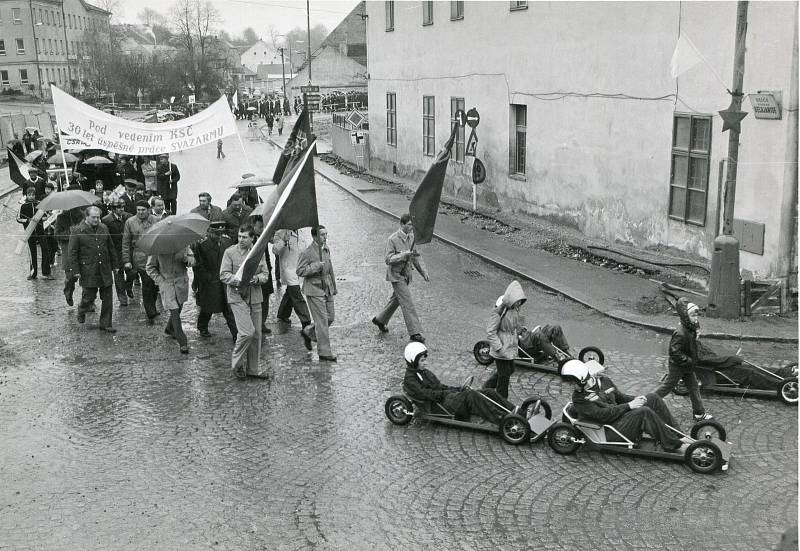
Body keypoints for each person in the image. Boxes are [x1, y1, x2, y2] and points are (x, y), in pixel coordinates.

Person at [562, 359, 689, 453]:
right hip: (610, 431)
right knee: (643, 412)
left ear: (582, 380)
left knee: (653, 398)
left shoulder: (604, 381)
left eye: (573, 383)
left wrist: (638, 399)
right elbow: (603, 416)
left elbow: (621, 398)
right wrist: (629, 406)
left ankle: (680, 436)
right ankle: (676, 445)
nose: (572, 387)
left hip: (621, 420)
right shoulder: (579, 398)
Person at [654, 298, 735, 421]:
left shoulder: (689, 327)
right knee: (666, 388)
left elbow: (693, 337)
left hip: (687, 366)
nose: (696, 318)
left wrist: (696, 330)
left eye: (697, 316)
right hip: (679, 366)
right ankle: (645, 403)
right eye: (693, 316)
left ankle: (699, 413)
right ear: (686, 317)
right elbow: (674, 352)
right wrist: (689, 361)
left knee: (694, 388)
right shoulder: (680, 333)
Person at [402, 342, 517, 424]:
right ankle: (503, 418)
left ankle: (515, 410)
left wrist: (457, 389)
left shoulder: (424, 372)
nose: (425, 363)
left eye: (425, 360)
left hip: (446, 399)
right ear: (413, 361)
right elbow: (426, 394)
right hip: (439, 406)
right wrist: (446, 393)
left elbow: (440, 386)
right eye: (422, 360)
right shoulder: (410, 379)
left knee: (488, 391)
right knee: (472, 395)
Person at [219, 223, 271, 379]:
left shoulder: (258, 252)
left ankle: (253, 369)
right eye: (239, 236)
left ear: (252, 238)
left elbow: (266, 275)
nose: (241, 240)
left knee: (257, 335)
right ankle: (237, 364)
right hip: (236, 296)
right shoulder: (230, 252)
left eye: (245, 237)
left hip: (255, 296)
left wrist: (256, 279)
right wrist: (238, 280)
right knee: (247, 333)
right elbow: (223, 275)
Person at [372, 214, 430, 343]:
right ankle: (415, 333)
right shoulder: (392, 239)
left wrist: (424, 272)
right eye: (409, 225)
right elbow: (388, 259)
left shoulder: (412, 237)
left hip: (407, 275)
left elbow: (416, 257)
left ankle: (380, 320)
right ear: (401, 224)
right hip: (396, 276)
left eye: (412, 225)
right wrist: (403, 255)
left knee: (397, 300)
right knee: (407, 302)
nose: (411, 227)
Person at [67, 205, 118, 333]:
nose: (96, 220)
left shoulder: (104, 228)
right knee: (88, 297)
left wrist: (115, 265)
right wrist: (76, 271)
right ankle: (82, 309)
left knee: (107, 297)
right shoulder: (78, 231)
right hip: (88, 269)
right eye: (94, 217)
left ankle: (105, 324)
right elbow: (72, 253)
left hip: (104, 268)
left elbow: (110, 247)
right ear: (87, 217)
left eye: (98, 217)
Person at [296, 225, 337, 361]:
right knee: (322, 321)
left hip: (327, 287)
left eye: (326, 234)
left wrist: (334, 287)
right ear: (314, 237)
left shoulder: (326, 249)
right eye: (322, 235)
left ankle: (308, 331)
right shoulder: (307, 252)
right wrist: (315, 267)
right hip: (314, 289)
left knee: (330, 317)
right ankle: (324, 352)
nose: (325, 237)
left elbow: (330, 269)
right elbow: (300, 271)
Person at [192, 221, 238, 340]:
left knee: (228, 309)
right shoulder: (202, 246)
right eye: (216, 234)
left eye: (221, 234)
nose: (219, 237)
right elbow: (198, 266)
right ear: (210, 232)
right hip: (209, 283)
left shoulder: (227, 242)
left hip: (224, 281)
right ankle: (202, 327)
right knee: (208, 308)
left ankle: (236, 335)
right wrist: (207, 278)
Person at [146, 246, 195, 354]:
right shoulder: (156, 248)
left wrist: (187, 260)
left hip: (181, 283)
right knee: (174, 311)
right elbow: (149, 267)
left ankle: (169, 329)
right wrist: (160, 280)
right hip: (166, 283)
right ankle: (183, 342)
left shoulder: (183, 244)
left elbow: (192, 260)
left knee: (179, 306)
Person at [483, 280, 527, 399]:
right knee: (504, 375)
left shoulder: (515, 310)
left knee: (510, 369)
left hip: (510, 346)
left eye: (520, 302)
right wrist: (499, 347)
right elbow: (490, 332)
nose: (519, 304)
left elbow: (515, 324)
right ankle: (501, 399)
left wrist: (521, 330)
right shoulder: (499, 312)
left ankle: (487, 387)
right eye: (517, 301)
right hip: (502, 348)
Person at [122, 201, 160, 324]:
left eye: (143, 210)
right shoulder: (130, 222)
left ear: (148, 210)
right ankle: (150, 312)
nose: (140, 212)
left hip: (155, 257)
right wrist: (127, 261)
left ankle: (152, 306)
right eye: (138, 210)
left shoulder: (156, 220)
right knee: (147, 284)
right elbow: (126, 243)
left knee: (155, 285)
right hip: (140, 258)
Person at [273, 228, 312, 332]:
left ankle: (282, 314)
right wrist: (284, 241)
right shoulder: (280, 233)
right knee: (297, 295)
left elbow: (305, 249)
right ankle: (306, 321)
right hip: (288, 269)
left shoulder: (301, 232)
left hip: (299, 268)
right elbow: (275, 250)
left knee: (290, 292)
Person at [16, 186, 53, 280]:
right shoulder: (23, 206)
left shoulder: (39, 204)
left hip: (40, 231)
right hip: (30, 232)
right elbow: (18, 218)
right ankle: (33, 273)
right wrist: (27, 220)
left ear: (35, 195)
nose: (31, 196)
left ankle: (46, 272)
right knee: (32, 252)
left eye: (33, 195)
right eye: (29, 195)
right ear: (26, 195)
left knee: (45, 250)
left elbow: (46, 216)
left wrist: (40, 219)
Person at [101, 199, 132, 307]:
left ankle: (128, 286)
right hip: (114, 251)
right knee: (118, 275)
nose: (121, 209)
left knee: (132, 272)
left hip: (127, 249)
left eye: (122, 207)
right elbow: (106, 237)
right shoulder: (106, 220)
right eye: (119, 208)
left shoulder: (128, 217)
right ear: (113, 209)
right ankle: (122, 297)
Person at [251, 217, 274, 336]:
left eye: (263, 227)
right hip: (255, 273)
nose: (261, 229)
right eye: (259, 227)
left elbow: (267, 255)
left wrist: (269, 269)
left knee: (266, 298)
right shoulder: (250, 239)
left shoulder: (264, 237)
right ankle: (254, 323)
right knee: (256, 300)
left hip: (265, 271)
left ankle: (262, 323)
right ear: (253, 226)